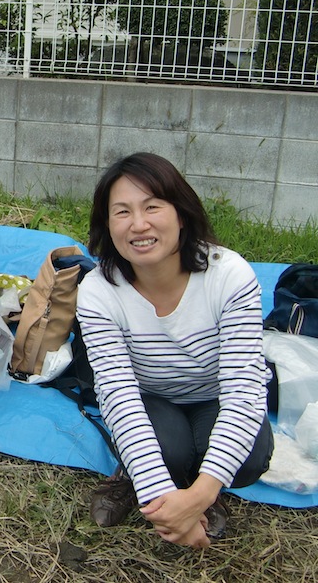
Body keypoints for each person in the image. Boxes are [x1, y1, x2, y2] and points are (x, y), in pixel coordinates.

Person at [76, 152, 273, 548]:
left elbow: (244, 392)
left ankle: (199, 487)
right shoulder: (98, 291)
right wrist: (164, 503)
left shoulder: (229, 276)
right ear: (107, 225)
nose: (139, 224)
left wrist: (200, 495)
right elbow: (118, 394)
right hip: (151, 396)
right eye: (122, 212)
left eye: (153, 207)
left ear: (181, 214)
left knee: (249, 459)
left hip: (215, 395)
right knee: (169, 453)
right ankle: (135, 476)